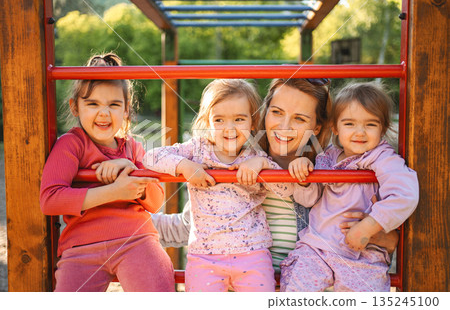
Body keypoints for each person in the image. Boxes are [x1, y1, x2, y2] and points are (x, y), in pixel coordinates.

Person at [151, 78, 399, 274]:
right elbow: (186, 228)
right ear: (263, 112)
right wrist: (122, 218)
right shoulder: (232, 164)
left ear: (317, 128)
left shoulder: (327, 175)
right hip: (234, 285)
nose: (284, 126)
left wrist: (381, 234)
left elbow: (372, 234)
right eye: (277, 112)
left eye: (299, 119)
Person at [39, 53, 175, 292]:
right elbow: (50, 200)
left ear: (126, 110)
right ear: (75, 106)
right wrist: (114, 191)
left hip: (137, 240)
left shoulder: (132, 147)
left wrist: (132, 171)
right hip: (81, 247)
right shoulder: (72, 144)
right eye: (92, 104)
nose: (104, 113)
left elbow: (155, 201)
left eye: (114, 105)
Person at [144, 79, 294, 292]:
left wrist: (261, 165)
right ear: (207, 122)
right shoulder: (197, 150)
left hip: (252, 255)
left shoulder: (256, 156)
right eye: (219, 120)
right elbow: (151, 157)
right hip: (205, 256)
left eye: (239, 119)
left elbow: (287, 189)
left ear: (253, 122)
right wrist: (185, 165)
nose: (229, 128)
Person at [281, 82, 419, 292]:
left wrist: (370, 225)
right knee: (296, 291)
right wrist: (305, 177)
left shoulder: (383, 158)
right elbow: (308, 199)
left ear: (382, 127)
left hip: (364, 252)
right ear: (335, 127)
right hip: (318, 247)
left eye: (371, 124)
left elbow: (405, 193)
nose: (360, 132)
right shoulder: (328, 157)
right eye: (349, 124)